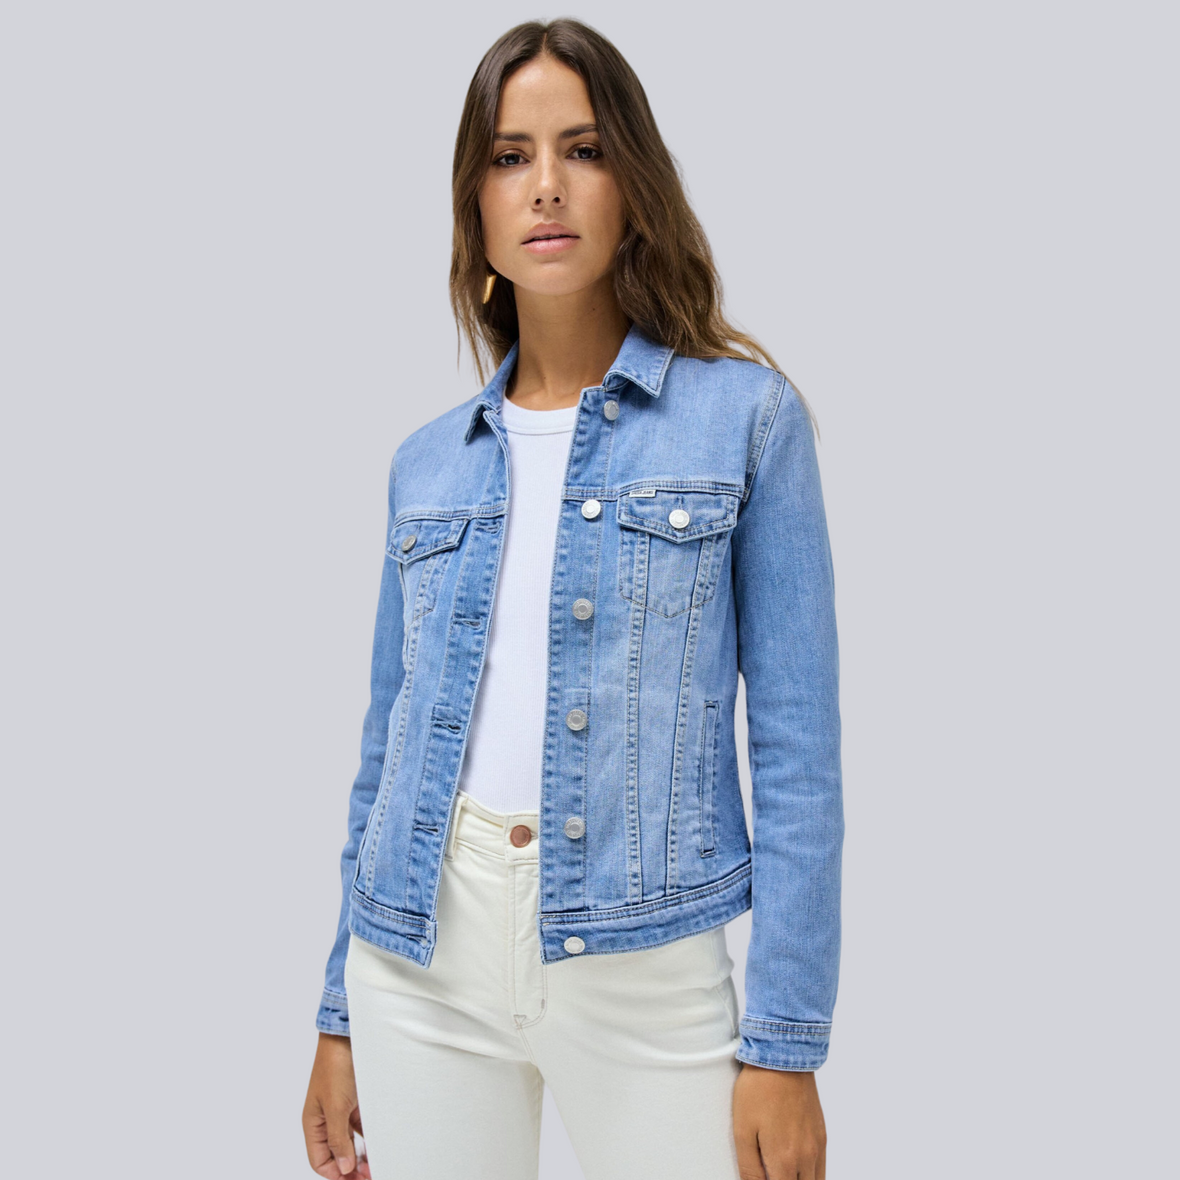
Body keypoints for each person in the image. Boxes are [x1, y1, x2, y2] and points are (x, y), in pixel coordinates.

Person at [302, 18, 842, 1180]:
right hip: (418, 966)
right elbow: (387, 751)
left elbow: (798, 750)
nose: (545, 185)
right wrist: (340, 1008)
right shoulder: (426, 463)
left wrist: (785, 1041)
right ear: (477, 205)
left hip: (646, 965)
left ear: (633, 183)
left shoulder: (745, 421)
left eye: (582, 150)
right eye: (509, 157)